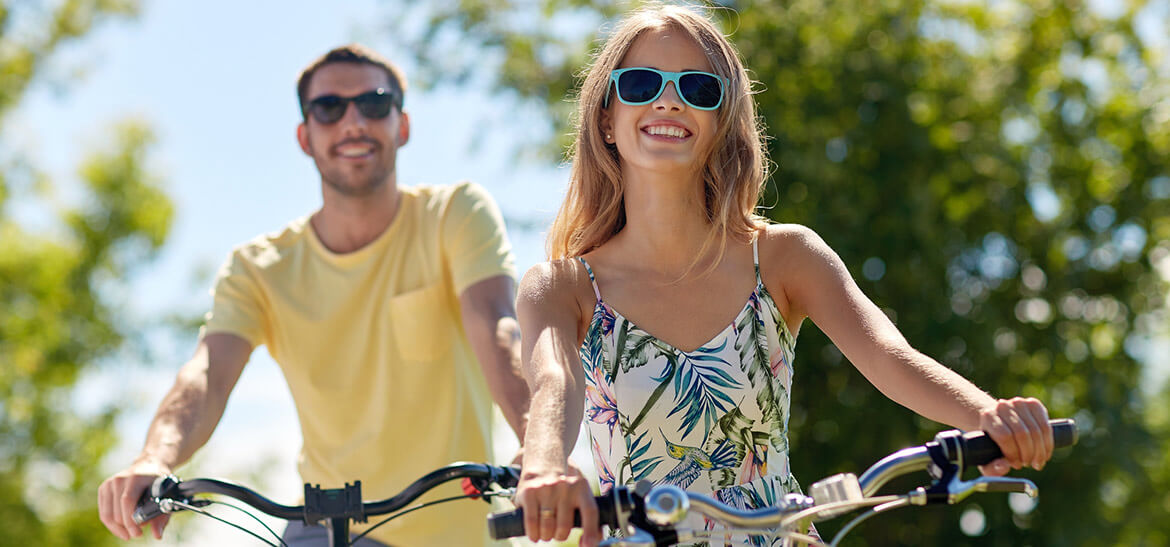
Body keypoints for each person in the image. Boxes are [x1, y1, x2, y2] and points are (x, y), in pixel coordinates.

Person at [512, 5, 1055, 546]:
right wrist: (541, 466)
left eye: (699, 88)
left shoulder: (783, 258)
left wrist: (987, 415)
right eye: (640, 82)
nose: (669, 99)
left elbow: (890, 356)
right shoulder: (563, 287)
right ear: (606, 117)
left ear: (722, 119)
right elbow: (554, 385)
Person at [97, 44, 530, 546]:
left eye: (374, 103)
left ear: (402, 126)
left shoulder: (454, 215)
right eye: (329, 108)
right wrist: (156, 457)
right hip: (321, 527)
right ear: (305, 137)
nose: (353, 121)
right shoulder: (259, 267)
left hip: (452, 529)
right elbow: (207, 375)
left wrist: (537, 445)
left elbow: (496, 325)